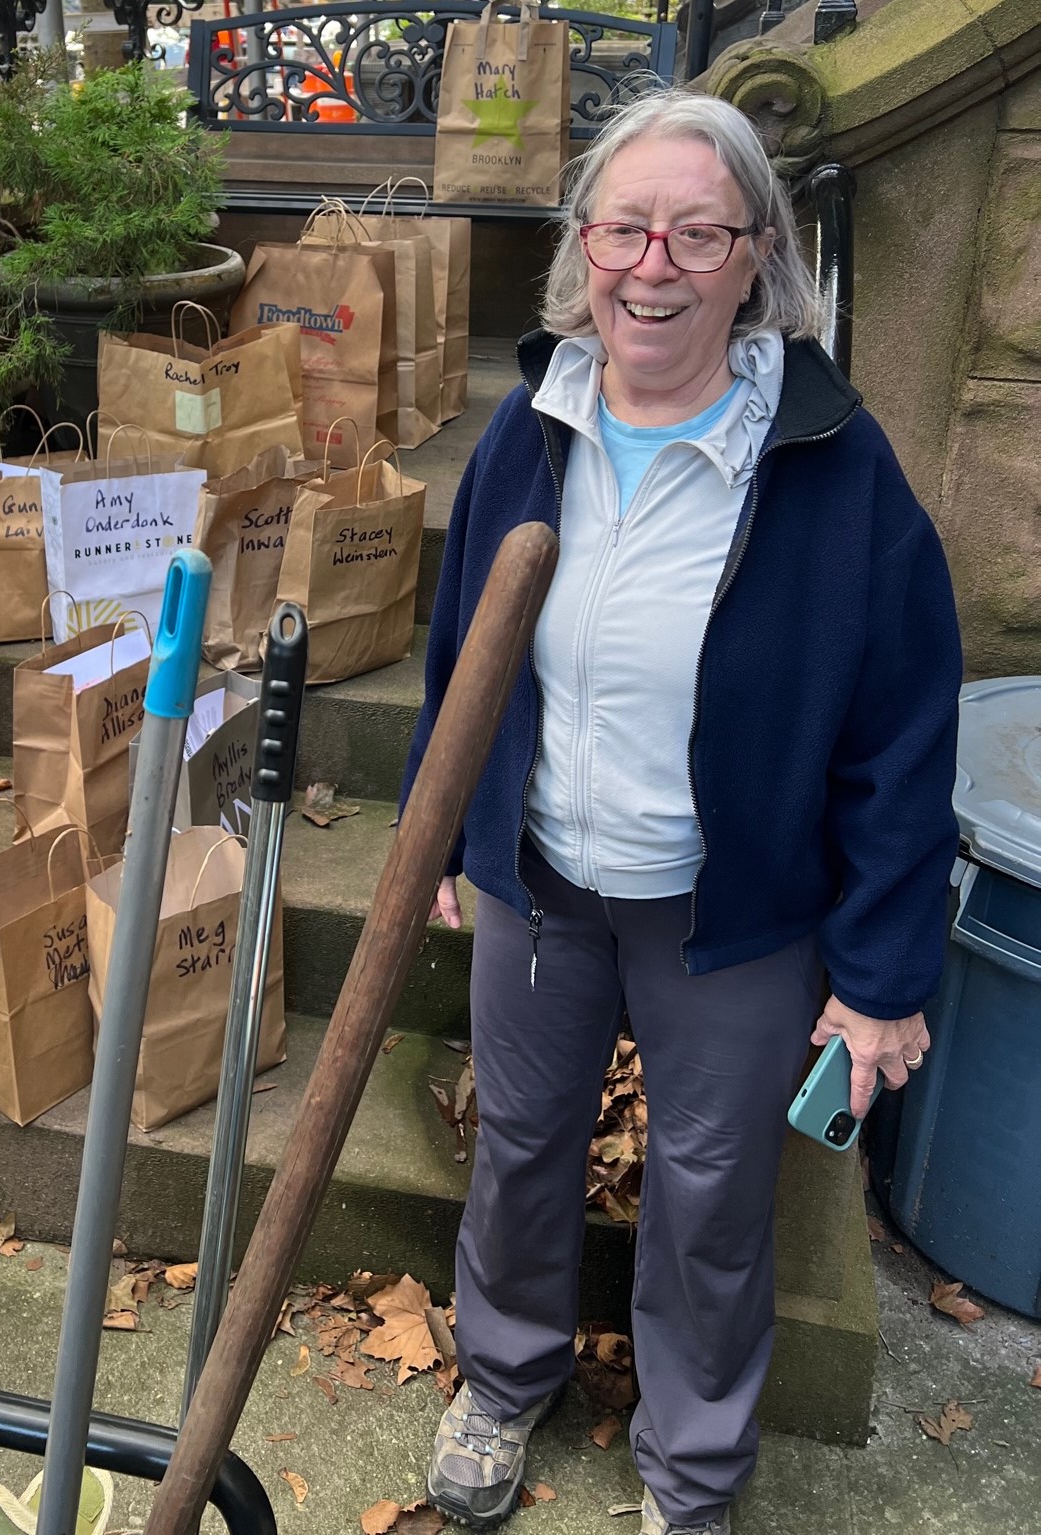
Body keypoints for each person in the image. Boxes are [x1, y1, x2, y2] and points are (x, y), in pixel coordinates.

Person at [402, 90, 962, 1534]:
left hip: (734, 909)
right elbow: (460, 644)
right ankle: (502, 1381)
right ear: (583, 244)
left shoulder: (836, 470)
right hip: (540, 876)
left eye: (696, 233)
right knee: (520, 1139)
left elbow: (904, 732)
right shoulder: (530, 431)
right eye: (625, 226)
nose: (653, 264)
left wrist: (888, 975)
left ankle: (693, 1470)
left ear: (756, 254)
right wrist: (447, 828)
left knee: (713, 1196)